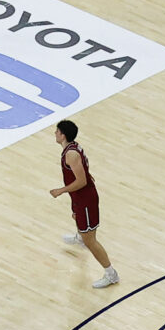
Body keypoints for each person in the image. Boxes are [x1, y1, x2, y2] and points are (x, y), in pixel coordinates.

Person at [51, 119, 116, 288]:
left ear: (63, 135)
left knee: (91, 241)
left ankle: (111, 274)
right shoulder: (72, 148)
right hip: (80, 198)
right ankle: (80, 236)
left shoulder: (71, 154)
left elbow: (81, 182)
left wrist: (61, 190)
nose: (55, 134)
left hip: (85, 198)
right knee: (76, 217)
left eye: (57, 131)